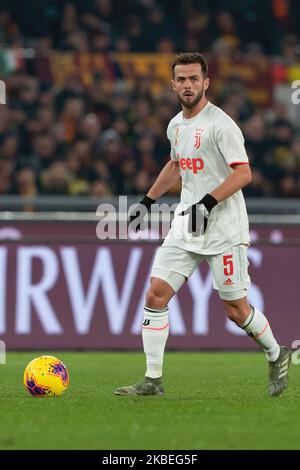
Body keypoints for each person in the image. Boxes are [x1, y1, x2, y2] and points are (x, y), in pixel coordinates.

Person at [114, 52, 292, 397]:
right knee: (155, 294)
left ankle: (276, 352)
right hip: (186, 224)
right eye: (181, 79)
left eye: (194, 79)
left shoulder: (221, 125)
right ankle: (153, 380)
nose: (187, 85)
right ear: (173, 85)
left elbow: (244, 172)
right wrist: (147, 202)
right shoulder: (176, 125)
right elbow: (175, 164)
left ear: (206, 82)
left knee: (235, 310)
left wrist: (208, 202)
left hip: (224, 229)